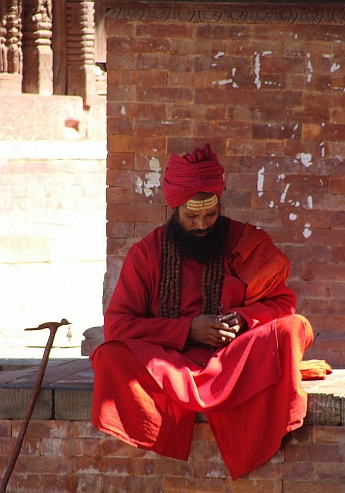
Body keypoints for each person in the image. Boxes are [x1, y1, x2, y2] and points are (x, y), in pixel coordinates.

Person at [91, 143, 315, 480]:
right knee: (110, 356)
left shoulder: (245, 241)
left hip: (233, 359)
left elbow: (283, 304)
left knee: (292, 327)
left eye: (210, 215)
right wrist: (187, 330)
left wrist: (244, 320)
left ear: (219, 205)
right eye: (191, 216)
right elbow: (117, 325)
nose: (202, 224)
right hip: (170, 361)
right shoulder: (147, 253)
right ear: (174, 208)